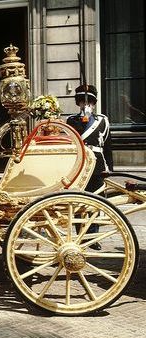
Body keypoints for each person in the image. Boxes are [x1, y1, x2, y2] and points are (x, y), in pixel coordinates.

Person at [66, 84, 113, 250]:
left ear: (94, 103)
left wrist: (109, 167)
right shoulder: (72, 120)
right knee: (79, 201)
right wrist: (82, 121)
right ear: (78, 103)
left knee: (96, 201)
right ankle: (80, 235)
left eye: (89, 102)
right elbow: (73, 139)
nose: (86, 105)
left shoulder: (102, 120)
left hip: (98, 163)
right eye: (83, 102)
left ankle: (92, 237)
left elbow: (107, 145)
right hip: (80, 162)